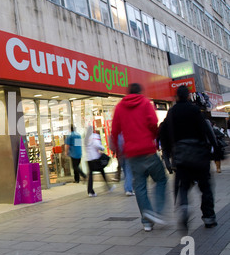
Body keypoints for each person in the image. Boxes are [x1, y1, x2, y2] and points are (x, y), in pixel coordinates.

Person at [159, 86, 218, 231]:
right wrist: (215, 149)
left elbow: (163, 133)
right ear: (188, 96)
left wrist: (166, 155)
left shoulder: (171, 113)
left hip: (181, 157)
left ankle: (184, 208)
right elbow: (206, 129)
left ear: (176, 97)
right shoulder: (194, 110)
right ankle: (209, 217)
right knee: (205, 188)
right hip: (199, 155)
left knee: (184, 187)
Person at [111, 83, 167, 232]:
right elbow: (153, 123)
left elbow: (115, 131)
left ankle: (146, 221)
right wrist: (154, 138)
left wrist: (118, 151)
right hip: (148, 150)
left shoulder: (119, 107)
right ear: (140, 91)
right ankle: (157, 211)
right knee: (161, 179)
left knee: (140, 186)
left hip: (132, 154)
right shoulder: (145, 103)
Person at [85, 126, 116, 197]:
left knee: (91, 175)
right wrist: (103, 148)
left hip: (89, 159)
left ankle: (90, 191)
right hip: (95, 158)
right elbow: (97, 144)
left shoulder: (86, 138)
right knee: (101, 171)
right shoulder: (94, 136)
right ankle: (108, 187)